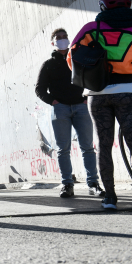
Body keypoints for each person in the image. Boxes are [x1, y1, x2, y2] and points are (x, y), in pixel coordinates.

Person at [68, 0, 132, 213]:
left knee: (103, 145)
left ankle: (110, 198)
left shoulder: (91, 29)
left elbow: (71, 60)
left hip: (97, 95)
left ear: (103, 7)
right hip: (128, 91)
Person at [35, 28, 104, 198]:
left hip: (80, 107)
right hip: (61, 109)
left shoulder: (77, 58)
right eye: (58, 38)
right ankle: (67, 185)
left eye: (64, 37)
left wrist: (86, 97)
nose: (62, 39)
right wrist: (53, 101)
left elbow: (91, 76)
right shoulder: (48, 64)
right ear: (53, 43)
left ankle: (93, 184)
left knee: (88, 147)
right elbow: (39, 88)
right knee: (62, 149)